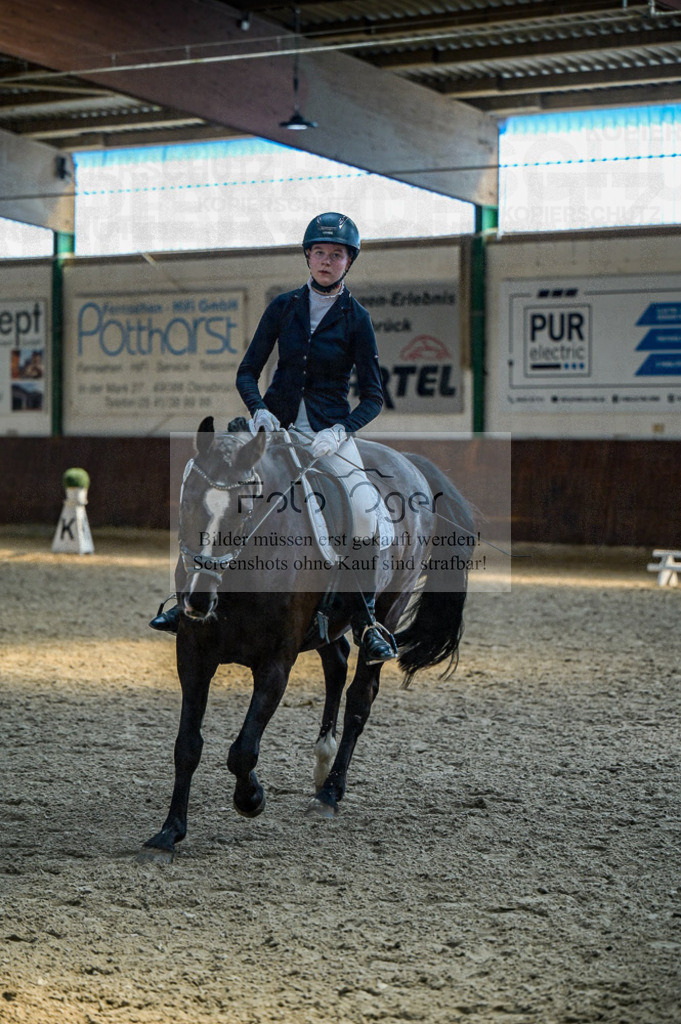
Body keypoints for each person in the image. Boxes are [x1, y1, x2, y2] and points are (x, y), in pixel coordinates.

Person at [151, 211, 396, 665]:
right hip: (273, 429)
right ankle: (183, 601)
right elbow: (247, 371)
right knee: (208, 486)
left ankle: (365, 621)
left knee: (364, 511)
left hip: (329, 433)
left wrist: (341, 430)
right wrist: (259, 409)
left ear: (348, 262)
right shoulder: (283, 307)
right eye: (319, 252)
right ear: (307, 256)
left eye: (336, 255)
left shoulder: (357, 318)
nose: (326, 261)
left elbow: (374, 397)